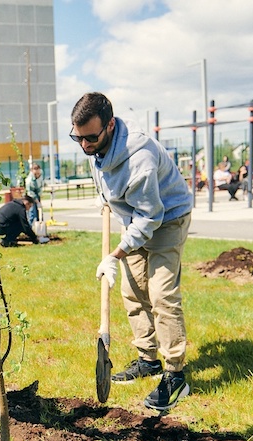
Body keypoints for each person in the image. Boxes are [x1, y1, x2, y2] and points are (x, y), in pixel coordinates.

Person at [71, 91, 193, 412]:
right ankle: (148, 359)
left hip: (167, 217)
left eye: (91, 138)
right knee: (133, 290)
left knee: (162, 294)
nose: (84, 145)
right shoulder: (94, 146)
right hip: (135, 218)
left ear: (110, 125)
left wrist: (115, 254)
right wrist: (105, 198)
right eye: (78, 138)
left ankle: (175, 375)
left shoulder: (140, 158)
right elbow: (105, 175)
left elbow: (151, 217)